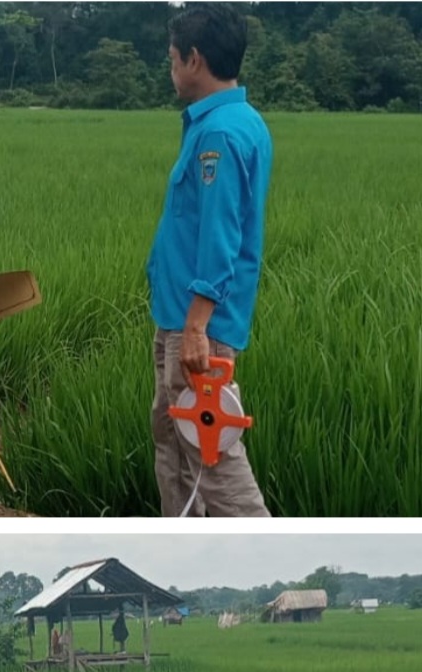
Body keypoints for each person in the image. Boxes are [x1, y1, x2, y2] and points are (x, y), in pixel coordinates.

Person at [146, 3, 272, 519]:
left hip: (196, 328)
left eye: (173, 59)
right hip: (179, 318)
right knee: (176, 447)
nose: (171, 68)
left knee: (212, 454)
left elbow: (221, 237)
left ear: (194, 59)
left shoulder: (219, 134)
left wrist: (196, 328)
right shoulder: (236, 120)